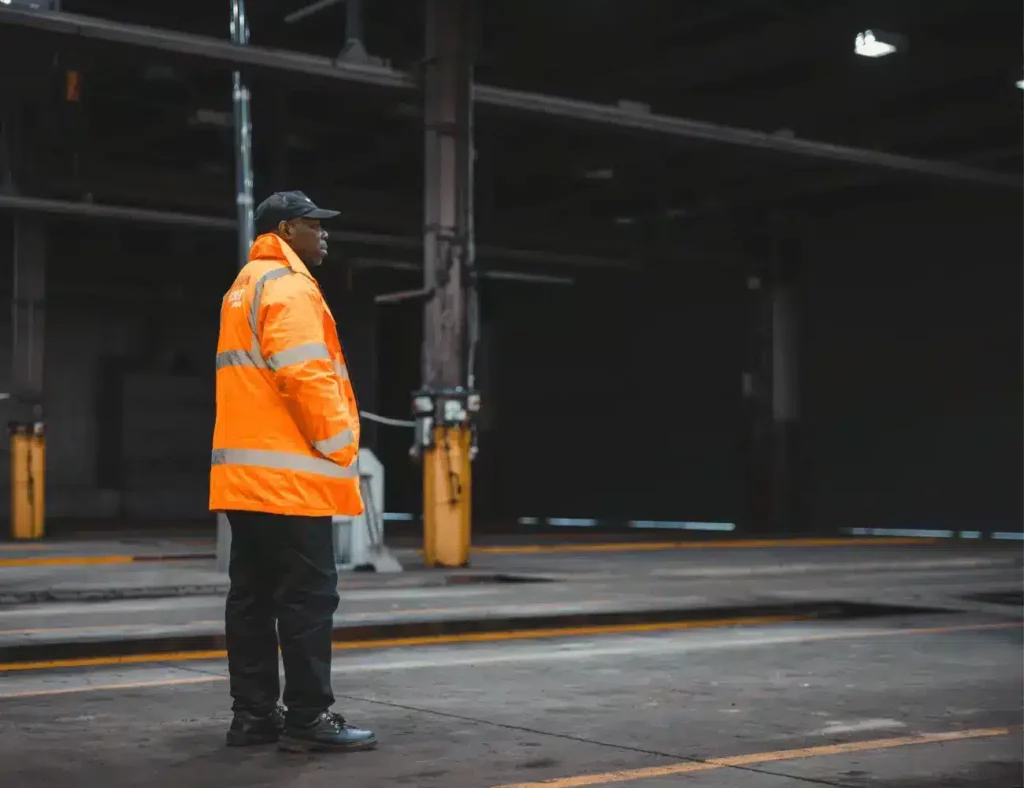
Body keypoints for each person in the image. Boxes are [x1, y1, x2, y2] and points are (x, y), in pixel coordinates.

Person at [209, 190, 377, 754]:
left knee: (251, 598)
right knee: (307, 599)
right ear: (286, 229)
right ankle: (309, 716)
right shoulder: (289, 285)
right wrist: (340, 445)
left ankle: (253, 717)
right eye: (314, 225)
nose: (324, 235)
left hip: (245, 481)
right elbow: (305, 374)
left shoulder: (242, 287)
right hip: (290, 482)